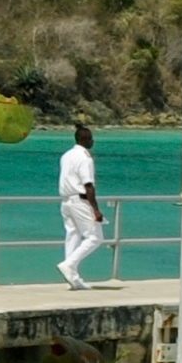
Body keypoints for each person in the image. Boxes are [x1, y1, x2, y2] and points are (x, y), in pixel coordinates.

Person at [57, 123, 103, 287]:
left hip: (66, 201)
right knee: (95, 237)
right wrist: (95, 209)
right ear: (84, 139)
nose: (92, 141)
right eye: (90, 138)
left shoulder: (66, 155)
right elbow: (88, 184)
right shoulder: (84, 158)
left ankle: (73, 278)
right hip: (80, 200)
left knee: (73, 236)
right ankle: (69, 265)